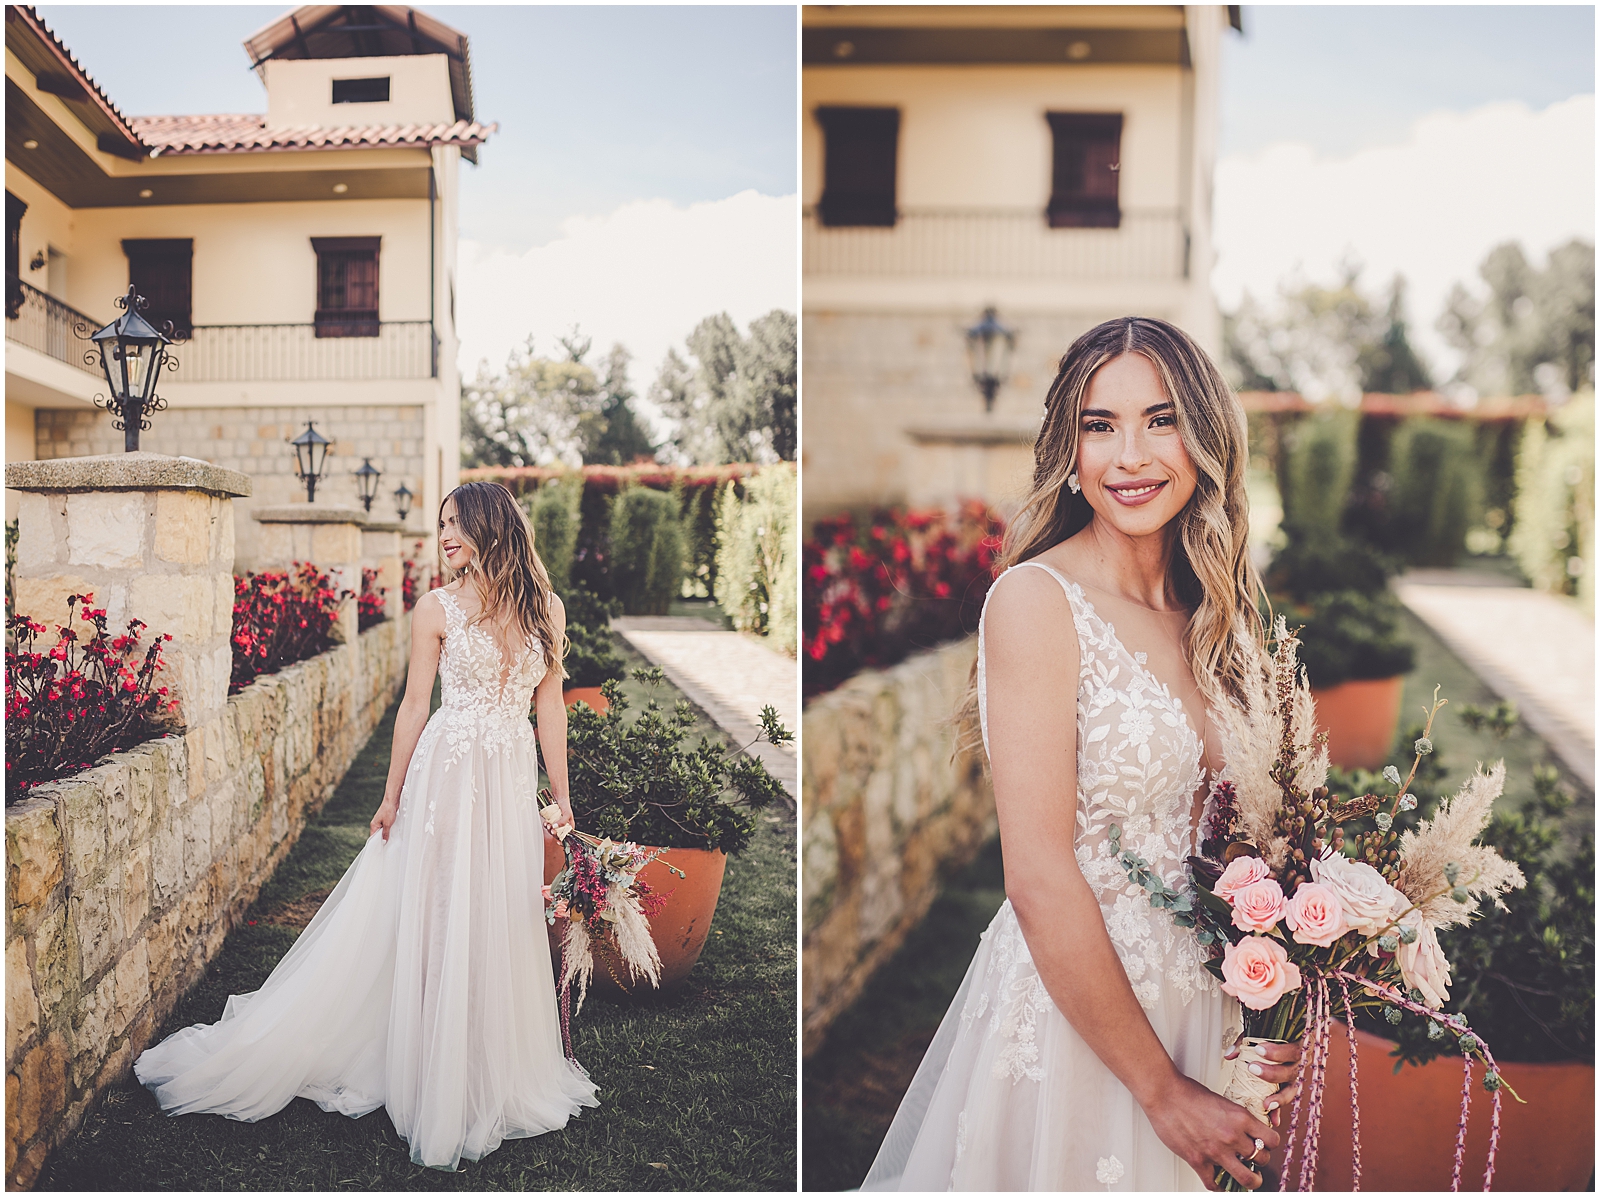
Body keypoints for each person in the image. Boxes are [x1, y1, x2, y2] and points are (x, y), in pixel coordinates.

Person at [861, 317, 1301, 1192]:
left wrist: (1282, 988)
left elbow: (1262, 845)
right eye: (1099, 425)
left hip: (1210, 1018)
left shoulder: (1225, 616)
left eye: (1161, 420)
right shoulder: (1035, 602)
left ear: (1206, 437)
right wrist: (1160, 1091)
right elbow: (1036, 872)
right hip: (1086, 1027)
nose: (1129, 455)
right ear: (1068, 448)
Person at [134, 481, 599, 1171]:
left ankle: (488, 1061)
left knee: (497, 912)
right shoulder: (434, 608)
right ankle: (429, 1062)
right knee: (439, 910)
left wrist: (561, 801)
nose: (442, 535)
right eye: (440, 523)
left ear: (489, 527)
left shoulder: (545, 608)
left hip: (506, 780)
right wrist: (389, 796)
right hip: (447, 774)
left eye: (454, 524)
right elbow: (414, 707)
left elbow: (550, 709)